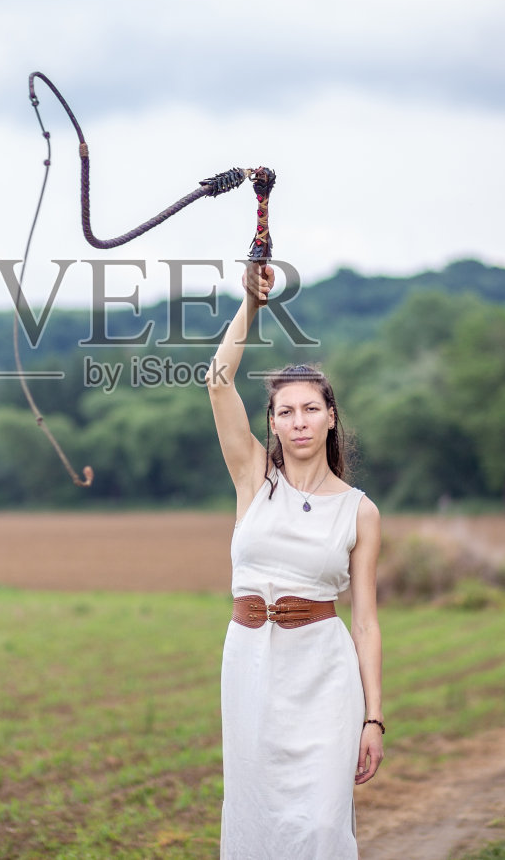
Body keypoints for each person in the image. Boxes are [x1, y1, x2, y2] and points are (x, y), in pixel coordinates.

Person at [206, 259, 384, 859]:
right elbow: (217, 380)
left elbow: (365, 621)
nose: (299, 420)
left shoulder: (360, 511)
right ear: (273, 424)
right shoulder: (254, 479)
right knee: (256, 820)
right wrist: (252, 307)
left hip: (324, 676)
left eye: (311, 408)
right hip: (250, 664)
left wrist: (374, 719)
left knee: (318, 826)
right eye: (286, 411)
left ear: (331, 416)